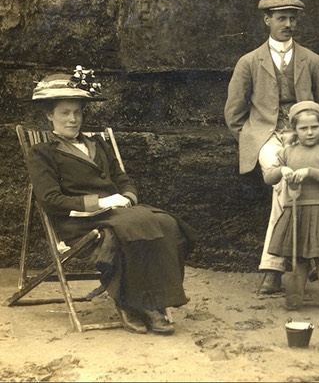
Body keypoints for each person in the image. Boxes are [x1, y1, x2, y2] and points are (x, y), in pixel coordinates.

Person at [26, 67, 198, 335]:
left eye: (77, 112)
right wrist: (102, 203)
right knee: (135, 226)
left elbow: (123, 179)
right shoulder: (43, 152)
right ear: (50, 115)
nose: (72, 119)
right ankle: (132, 303)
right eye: (64, 112)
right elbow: (50, 200)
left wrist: (127, 197)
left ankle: (154, 302)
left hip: (118, 213)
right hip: (80, 222)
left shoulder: (98, 145)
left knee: (166, 223)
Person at [224, 0, 319, 294]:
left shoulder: (312, 61)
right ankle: (308, 258)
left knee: (287, 181)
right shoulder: (249, 62)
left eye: (292, 18)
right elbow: (233, 113)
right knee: (284, 173)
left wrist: (316, 139)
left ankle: (273, 269)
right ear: (267, 20)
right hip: (266, 138)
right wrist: (251, 140)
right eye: (281, 18)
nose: (288, 24)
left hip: (305, 139)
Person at [264, 101, 319, 312]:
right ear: (294, 130)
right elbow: (269, 176)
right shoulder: (287, 152)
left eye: (314, 127)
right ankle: (298, 295)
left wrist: (309, 171)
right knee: (301, 257)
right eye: (303, 128)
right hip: (297, 209)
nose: (310, 132)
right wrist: (282, 171)